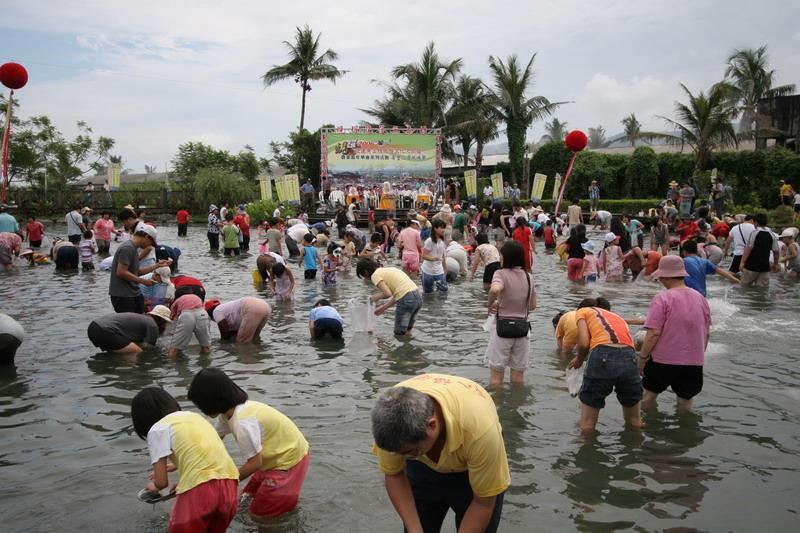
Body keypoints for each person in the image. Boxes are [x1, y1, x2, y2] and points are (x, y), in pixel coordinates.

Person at [371, 374, 510, 533]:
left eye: (409, 452)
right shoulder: (389, 424)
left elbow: (483, 503)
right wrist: (415, 530)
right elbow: (394, 475)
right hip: (422, 467)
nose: (402, 457)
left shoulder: (480, 432)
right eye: (398, 454)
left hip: (472, 472)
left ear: (432, 425)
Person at [188, 368, 310, 522]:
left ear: (210, 401)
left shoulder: (242, 422)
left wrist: (224, 483)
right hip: (275, 458)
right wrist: (179, 465)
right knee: (245, 499)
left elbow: (254, 463)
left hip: (288, 464)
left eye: (200, 405)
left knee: (258, 517)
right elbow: (211, 441)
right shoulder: (229, 413)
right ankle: (282, 505)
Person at [130, 387, 239, 532]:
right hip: (230, 486)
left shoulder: (156, 430)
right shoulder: (195, 417)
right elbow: (205, 458)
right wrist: (184, 483)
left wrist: (153, 487)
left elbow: (161, 483)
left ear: (142, 420)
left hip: (200, 490)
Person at [639, 255, 711, 410]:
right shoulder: (700, 298)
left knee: (648, 397)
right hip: (693, 362)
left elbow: (654, 333)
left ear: (664, 275)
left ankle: (646, 428)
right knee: (685, 401)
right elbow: (706, 333)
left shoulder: (662, 298)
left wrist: (643, 357)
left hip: (663, 361)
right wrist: (698, 356)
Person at [566, 304, 642, 434]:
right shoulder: (616, 317)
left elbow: (584, 343)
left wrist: (579, 360)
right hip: (630, 355)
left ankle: (587, 450)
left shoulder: (582, 312)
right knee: (635, 421)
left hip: (602, 354)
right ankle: (635, 447)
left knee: (587, 424)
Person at [486, 241, 536, 386]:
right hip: (522, 331)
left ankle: (498, 407)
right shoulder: (529, 277)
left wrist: (490, 304)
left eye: (501, 254)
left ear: (506, 257)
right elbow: (532, 306)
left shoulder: (500, 273)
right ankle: (516, 405)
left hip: (502, 329)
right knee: (518, 377)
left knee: (496, 377)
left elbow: (495, 289)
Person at [109, 224, 170, 314]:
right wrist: (143, 281)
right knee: (130, 324)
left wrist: (157, 265)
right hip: (123, 294)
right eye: (151, 243)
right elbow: (121, 272)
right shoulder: (127, 248)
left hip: (133, 292)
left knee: (139, 319)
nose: (150, 246)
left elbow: (136, 272)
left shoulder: (133, 249)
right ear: (146, 236)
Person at [357, 258, 422, 337]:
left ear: (365, 272)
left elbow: (388, 294)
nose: (365, 278)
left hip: (407, 300)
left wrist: (375, 297)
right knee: (408, 331)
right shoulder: (389, 270)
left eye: (363, 276)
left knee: (399, 334)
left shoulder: (375, 275)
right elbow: (399, 294)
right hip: (418, 298)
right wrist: (383, 308)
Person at [87, 306, 171, 353]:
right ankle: (130, 374)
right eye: (165, 323)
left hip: (93, 327)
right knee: (137, 352)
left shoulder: (142, 318)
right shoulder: (153, 325)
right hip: (105, 331)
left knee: (116, 353)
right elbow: (150, 348)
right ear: (162, 320)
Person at [205, 297, 271, 343]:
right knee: (254, 338)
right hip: (265, 306)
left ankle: (249, 360)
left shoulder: (216, 311)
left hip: (251, 306)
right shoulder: (227, 310)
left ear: (209, 313)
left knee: (242, 342)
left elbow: (225, 331)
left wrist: (222, 343)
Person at [740, 213, 779, 287]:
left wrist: (742, 262)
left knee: (744, 288)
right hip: (765, 268)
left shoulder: (754, 233)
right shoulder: (772, 235)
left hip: (751, 267)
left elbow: (748, 248)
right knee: (762, 290)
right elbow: (776, 251)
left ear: (756, 222)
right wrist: (775, 264)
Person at [421, 219, 448, 293]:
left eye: (444, 228)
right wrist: (434, 258)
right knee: (428, 294)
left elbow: (443, 257)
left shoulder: (442, 241)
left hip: (439, 271)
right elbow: (423, 255)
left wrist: (445, 269)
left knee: (444, 291)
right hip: (428, 272)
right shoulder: (429, 241)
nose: (443, 230)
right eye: (441, 228)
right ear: (435, 228)